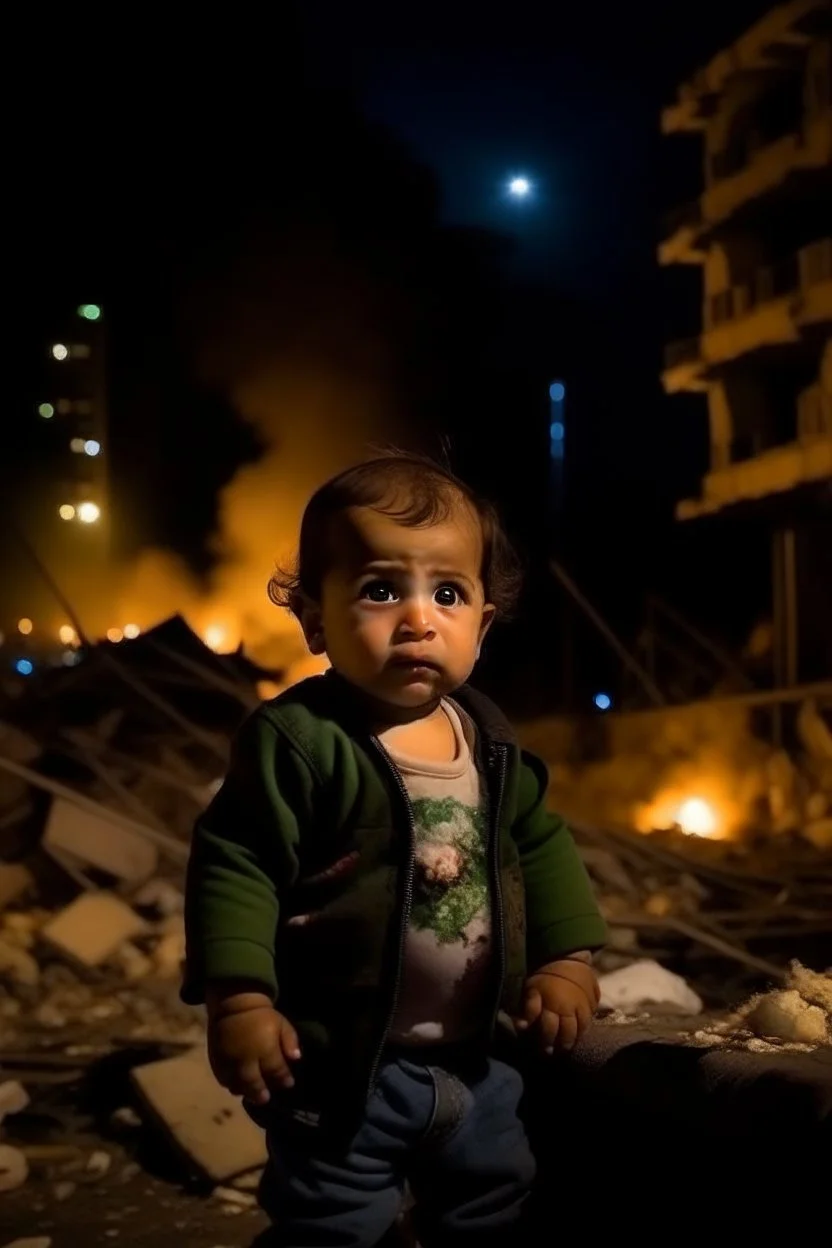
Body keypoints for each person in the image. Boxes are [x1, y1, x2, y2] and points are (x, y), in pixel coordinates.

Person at [182, 450, 606, 1247]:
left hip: (480, 1063)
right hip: (342, 1067)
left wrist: (566, 959)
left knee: (494, 1205)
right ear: (313, 617)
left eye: (448, 594)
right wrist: (239, 998)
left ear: (481, 623)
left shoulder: (488, 742)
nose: (419, 618)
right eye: (381, 590)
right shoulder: (302, 742)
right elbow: (236, 860)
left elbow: (540, 843)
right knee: (335, 1222)